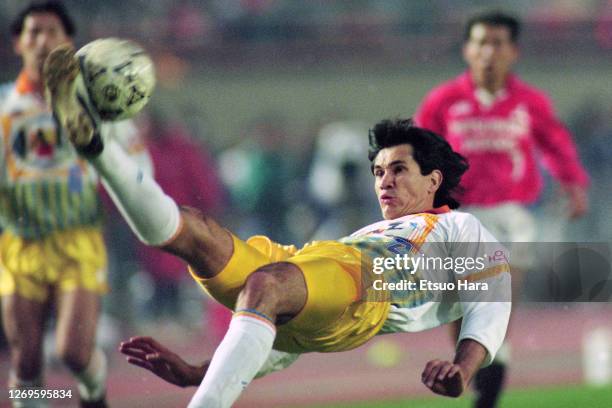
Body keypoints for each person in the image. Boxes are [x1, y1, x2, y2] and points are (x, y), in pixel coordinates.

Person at [46, 39, 512, 407]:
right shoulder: (369, 234)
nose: (383, 182)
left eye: (398, 170)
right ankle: (99, 149)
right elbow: (287, 340)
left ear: (434, 180)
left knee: (269, 285)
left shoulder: (460, 230)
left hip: (370, 292)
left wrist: (464, 369)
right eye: (378, 172)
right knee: (196, 230)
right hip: (312, 265)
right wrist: (199, 371)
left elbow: (491, 300)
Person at [414, 11, 590, 408]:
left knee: (496, 302)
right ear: (466, 50)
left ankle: (488, 389)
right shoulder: (444, 101)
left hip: (512, 215)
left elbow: (556, 143)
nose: (487, 52)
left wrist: (573, 183)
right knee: (459, 313)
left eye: (496, 43)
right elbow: (419, 151)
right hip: (458, 217)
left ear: (513, 51)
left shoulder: (529, 102)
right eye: (480, 43)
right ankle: (477, 377)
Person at [0, 2, 150, 407]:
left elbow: (138, 165)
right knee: (27, 362)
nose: (42, 40)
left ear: (69, 43)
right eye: (33, 32)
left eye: (52, 31)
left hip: (78, 240)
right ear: (17, 43)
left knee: (73, 353)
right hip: (19, 244)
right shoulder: (2, 109)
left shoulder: (100, 102)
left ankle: (92, 394)